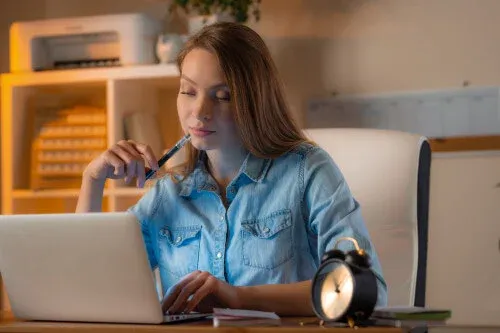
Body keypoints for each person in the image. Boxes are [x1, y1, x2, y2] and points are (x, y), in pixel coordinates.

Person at [76, 22, 387, 316]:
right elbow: (88, 288)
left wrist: (238, 298)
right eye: (188, 91)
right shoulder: (167, 194)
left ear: (256, 101)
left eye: (222, 96)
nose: (199, 112)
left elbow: (363, 288)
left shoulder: (307, 171)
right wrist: (92, 180)